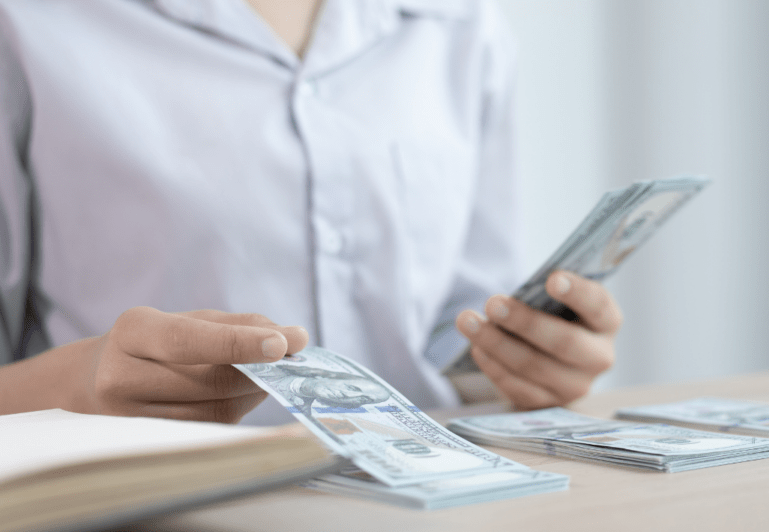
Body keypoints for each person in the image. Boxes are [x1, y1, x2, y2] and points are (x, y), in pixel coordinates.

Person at [0, 0, 623, 424]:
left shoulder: (459, 22)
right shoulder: (29, 23)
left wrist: (523, 363)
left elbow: (451, 323)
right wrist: (73, 387)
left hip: (423, 525)